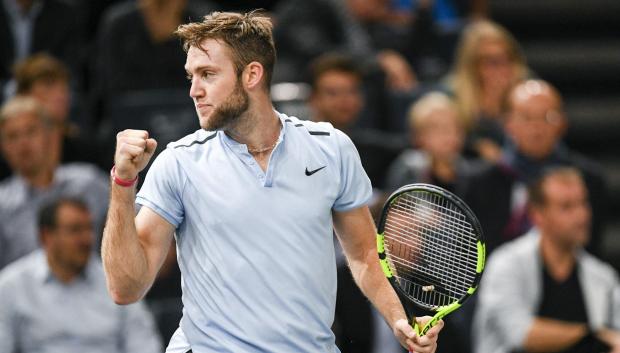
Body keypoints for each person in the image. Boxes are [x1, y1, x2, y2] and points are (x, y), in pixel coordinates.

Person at [102, 11, 443, 353]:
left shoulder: (331, 148)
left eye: (207, 74)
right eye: (191, 76)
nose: (194, 91)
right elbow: (124, 288)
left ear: (252, 74)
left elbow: (366, 254)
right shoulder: (179, 162)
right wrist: (123, 182)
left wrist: (399, 320)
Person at [472, 167, 620, 353]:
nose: (582, 215)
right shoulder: (505, 264)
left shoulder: (603, 276)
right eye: (567, 206)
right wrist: (591, 335)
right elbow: (519, 333)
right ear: (537, 215)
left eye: (583, 203)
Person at [462, 79, 608, 255]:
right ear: (508, 124)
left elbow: (591, 249)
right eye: (526, 117)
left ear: (562, 122)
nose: (537, 127)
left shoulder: (588, 180)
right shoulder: (478, 183)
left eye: (547, 117)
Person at [0, 197, 162, 353]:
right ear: (46, 236)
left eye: (89, 228)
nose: (87, 239)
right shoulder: (11, 287)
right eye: (75, 230)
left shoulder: (118, 281)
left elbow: (144, 345)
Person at [0, 96, 109, 269]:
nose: (23, 143)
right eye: (12, 136)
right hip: (25, 294)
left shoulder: (89, 182)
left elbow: (137, 227)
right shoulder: (2, 205)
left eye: (31, 131)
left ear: (51, 136)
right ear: (3, 147)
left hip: (93, 290)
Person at [308, 52, 406, 190]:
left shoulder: (374, 151)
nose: (344, 100)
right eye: (333, 93)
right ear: (313, 99)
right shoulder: (297, 148)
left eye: (351, 91)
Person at [446, 19, 529, 162]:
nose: (503, 68)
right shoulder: (451, 98)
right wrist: (476, 147)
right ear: (472, 66)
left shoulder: (528, 94)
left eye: (508, 58)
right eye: (492, 61)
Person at [384, 91, 478, 195]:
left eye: (455, 127)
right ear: (419, 136)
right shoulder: (408, 170)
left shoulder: (472, 175)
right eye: (438, 128)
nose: (449, 135)